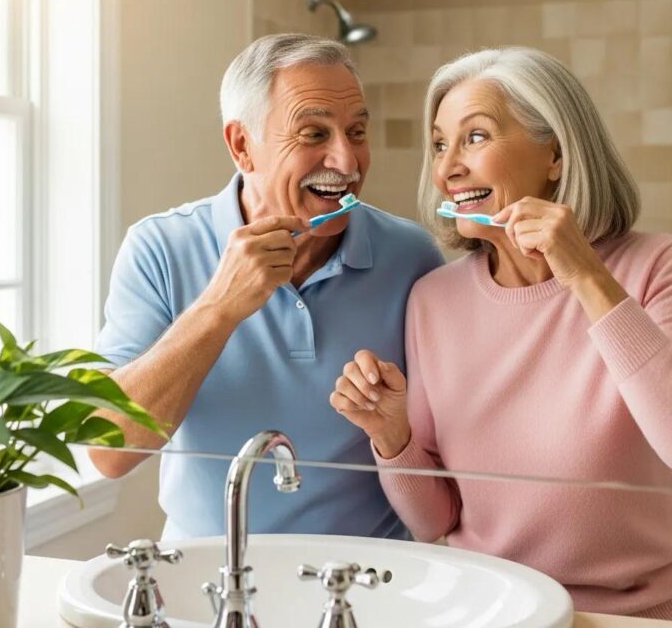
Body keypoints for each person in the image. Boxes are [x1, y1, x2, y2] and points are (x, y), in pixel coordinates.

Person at [330, 47, 672, 618]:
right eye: (440, 144)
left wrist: (587, 275)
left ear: (557, 155)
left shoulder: (657, 268)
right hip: (489, 608)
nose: (446, 170)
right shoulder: (433, 301)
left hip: (633, 616)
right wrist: (392, 437)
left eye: (475, 137)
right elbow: (434, 522)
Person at [90, 33, 443, 541]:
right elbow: (109, 450)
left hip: (367, 584)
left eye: (357, 131)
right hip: (206, 577)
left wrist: (394, 425)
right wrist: (218, 307)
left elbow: (445, 456)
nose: (347, 163)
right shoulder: (158, 248)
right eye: (314, 134)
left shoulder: (412, 258)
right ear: (242, 146)